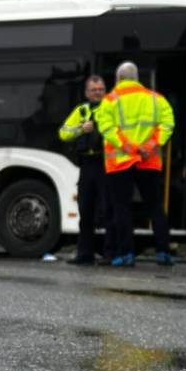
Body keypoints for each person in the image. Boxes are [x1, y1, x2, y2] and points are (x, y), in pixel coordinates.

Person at [95, 61, 174, 267]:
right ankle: (163, 252)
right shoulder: (156, 99)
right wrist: (151, 145)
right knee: (155, 207)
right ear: (137, 78)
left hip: (121, 163)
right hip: (149, 161)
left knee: (122, 208)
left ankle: (126, 254)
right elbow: (168, 123)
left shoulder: (109, 101)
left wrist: (130, 147)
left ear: (119, 79)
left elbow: (107, 128)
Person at [58, 74, 113, 264]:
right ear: (86, 93)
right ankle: (85, 253)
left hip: (105, 163)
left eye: (101, 89)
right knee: (85, 209)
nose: (98, 93)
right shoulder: (81, 110)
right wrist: (82, 129)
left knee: (108, 210)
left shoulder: (111, 108)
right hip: (87, 165)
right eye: (94, 90)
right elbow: (63, 133)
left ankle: (110, 253)